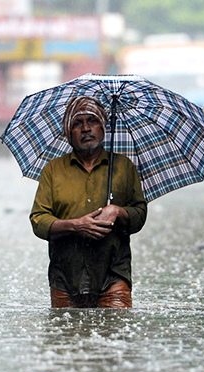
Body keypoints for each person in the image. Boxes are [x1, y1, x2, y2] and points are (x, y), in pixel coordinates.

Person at [30, 95, 148, 308]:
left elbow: (139, 215)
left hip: (113, 275)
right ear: (68, 133)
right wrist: (75, 226)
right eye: (77, 123)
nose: (86, 129)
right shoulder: (53, 171)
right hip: (65, 277)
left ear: (103, 128)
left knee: (116, 336)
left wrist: (118, 211)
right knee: (65, 337)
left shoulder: (124, 167)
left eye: (92, 121)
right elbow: (38, 221)